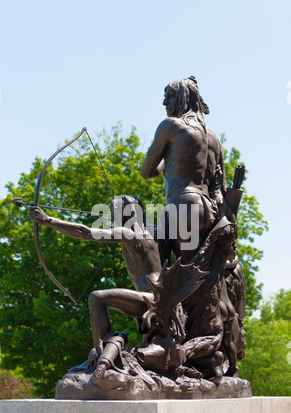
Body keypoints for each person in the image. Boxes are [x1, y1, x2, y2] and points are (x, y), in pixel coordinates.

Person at [29, 195, 162, 349]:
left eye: (116, 213)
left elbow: (84, 232)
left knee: (97, 298)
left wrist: (47, 220)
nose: (114, 218)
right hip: (161, 298)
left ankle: (100, 351)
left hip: (150, 298)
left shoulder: (127, 233)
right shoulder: (155, 233)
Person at [141, 76, 227, 263]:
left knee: (183, 277)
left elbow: (147, 172)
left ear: (183, 97)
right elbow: (222, 187)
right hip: (210, 212)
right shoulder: (214, 139)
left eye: (170, 96)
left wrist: (166, 158)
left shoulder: (171, 126)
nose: (164, 102)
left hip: (182, 205)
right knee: (198, 271)